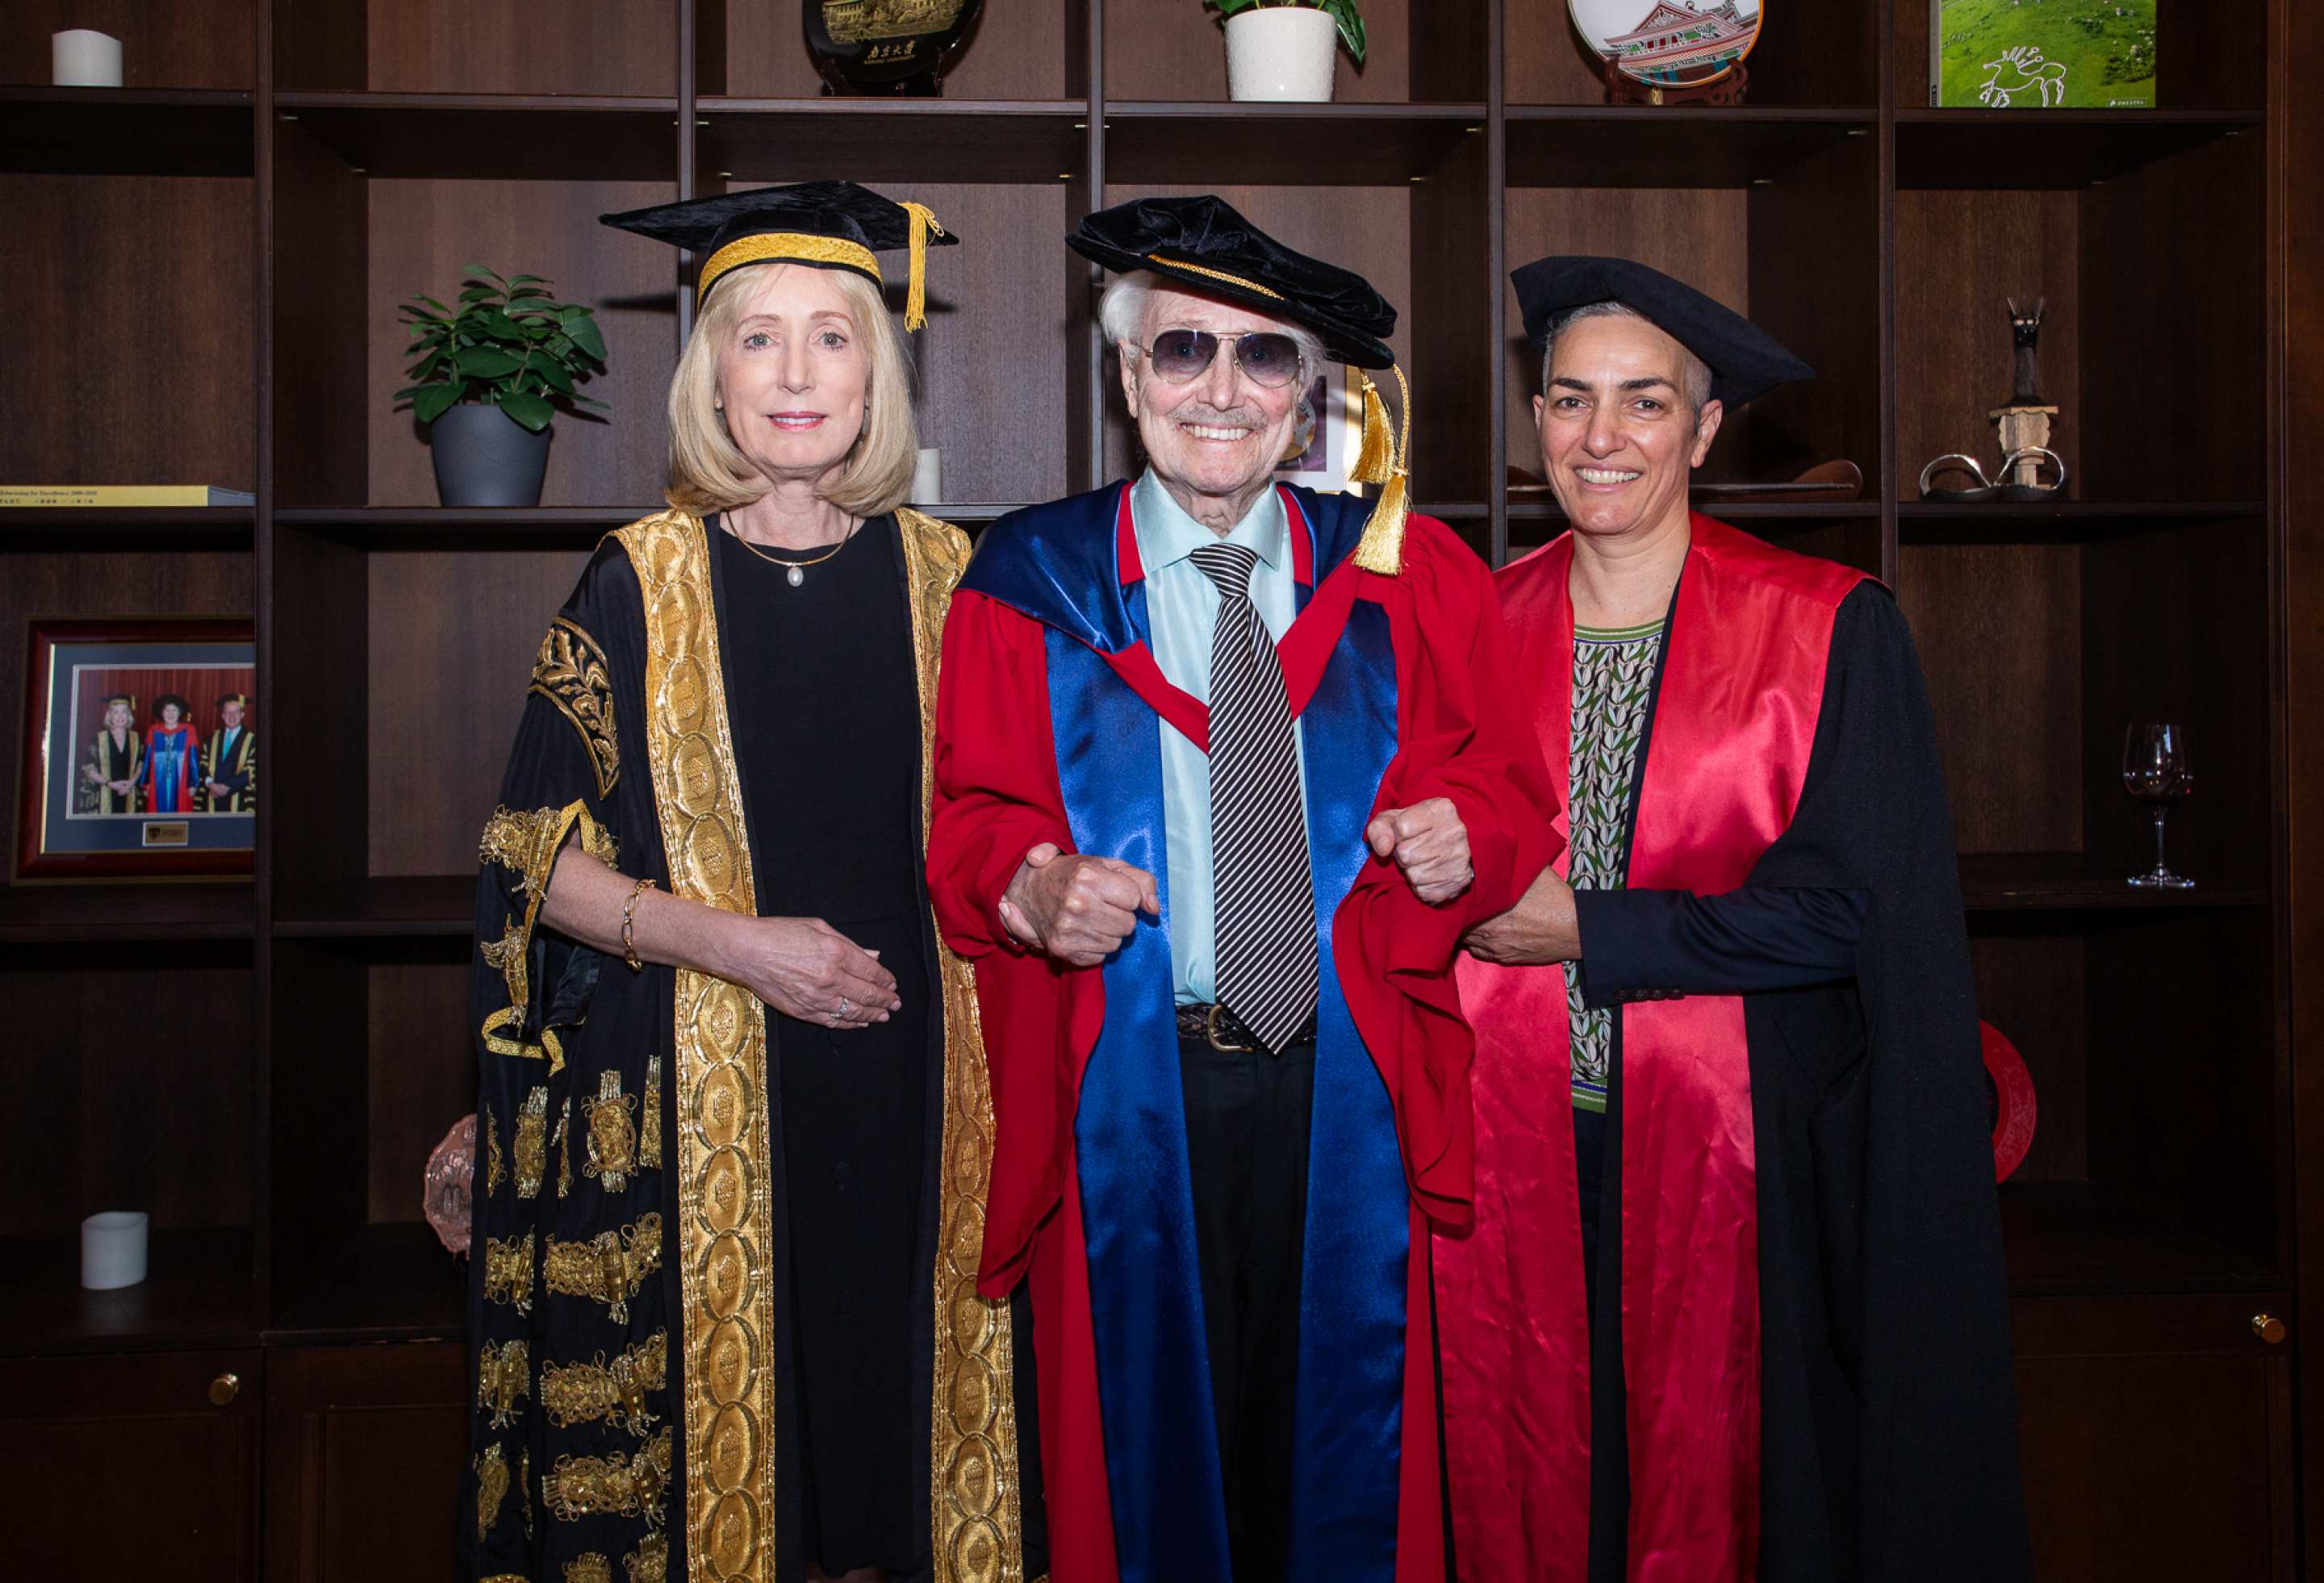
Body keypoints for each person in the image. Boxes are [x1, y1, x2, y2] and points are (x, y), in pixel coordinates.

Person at [928, 195, 1555, 1583]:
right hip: (1139, 1083)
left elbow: (1512, 792)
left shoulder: (1409, 576)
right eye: (1183, 351)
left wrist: (1468, 843)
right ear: (1127, 376)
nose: (1221, 389)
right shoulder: (1028, 583)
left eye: (1263, 358)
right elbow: (972, 818)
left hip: (1348, 1084)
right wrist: (1033, 887)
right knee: (1150, 1458)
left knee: (1336, 1446)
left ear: (1310, 393)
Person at [460, 182, 1043, 1583]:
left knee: (894, 1467)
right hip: (696, 1099)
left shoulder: (958, 580)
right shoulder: (634, 582)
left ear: (876, 377)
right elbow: (533, 863)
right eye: (758, 338)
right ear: (710, 375)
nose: (795, 374)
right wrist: (739, 945)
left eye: (833, 338)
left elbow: (1017, 827)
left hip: (919, 1100)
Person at [1442, 257, 2029, 1583]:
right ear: (1535, 421)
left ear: (1704, 429)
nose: (1602, 438)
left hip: (1742, 1168)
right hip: (1511, 1162)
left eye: (1645, 403)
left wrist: (1595, 929)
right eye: (1571, 400)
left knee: (1747, 1509)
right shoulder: (1469, 620)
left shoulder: (1825, 629)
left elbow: (1854, 921)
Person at [77, 693, 142, 814]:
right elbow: (88, 769)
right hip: (105, 792)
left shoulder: (136, 738)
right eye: (116, 712)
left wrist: (131, 782)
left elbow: (141, 764)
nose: (120, 716)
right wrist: (111, 784)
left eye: (124, 712)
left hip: (130, 792)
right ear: (109, 716)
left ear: (129, 716)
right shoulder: (99, 738)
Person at [141, 694, 201, 814]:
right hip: (157, 781)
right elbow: (147, 758)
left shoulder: (188, 730)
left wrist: (193, 784)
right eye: (167, 710)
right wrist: (146, 783)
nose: (171, 714)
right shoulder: (154, 730)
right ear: (162, 713)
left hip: (181, 782)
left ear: (179, 713)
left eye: (174, 710)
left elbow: (193, 758)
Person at [199, 692, 257, 812]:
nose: (232, 716)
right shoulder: (211, 739)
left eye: (236, 712)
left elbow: (252, 770)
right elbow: (202, 766)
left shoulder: (253, 740)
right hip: (212, 798)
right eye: (228, 713)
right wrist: (211, 784)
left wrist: (226, 787)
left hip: (239, 798)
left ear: (242, 715)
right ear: (223, 716)